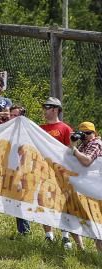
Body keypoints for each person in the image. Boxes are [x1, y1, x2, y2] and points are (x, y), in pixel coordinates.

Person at [39, 96, 80, 249]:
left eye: (47, 107)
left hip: (61, 174)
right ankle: (48, 235)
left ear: (55, 109)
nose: (45, 110)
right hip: (42, 171)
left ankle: (65, 236)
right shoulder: (40, 128)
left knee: (63, 204)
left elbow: (72, 151)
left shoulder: (65, 128)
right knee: (44, 202)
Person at [70, 121, 102, 253]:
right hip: (83, 188)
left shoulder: (96, 143)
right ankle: (81, 248)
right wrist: (74, 143)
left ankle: (99, 254)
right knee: (70, 215)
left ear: (94, 133)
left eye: (88, 133)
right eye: (84, 133)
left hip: (95, 190)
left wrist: (74, 149)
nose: (86, 136)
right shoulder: (83, 145)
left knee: (97, 223)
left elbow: (86, 161)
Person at [8, 105, 30, 236]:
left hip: (22, 172)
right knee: (12, 203)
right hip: (8, 171)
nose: (13, 118)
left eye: (16, 115)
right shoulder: (7, 129)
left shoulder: (26, 131)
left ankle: (24, 231)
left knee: (21, 203)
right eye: (11, 115)